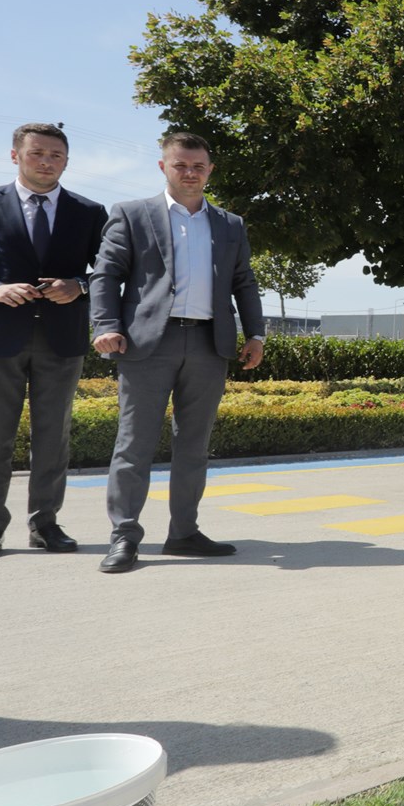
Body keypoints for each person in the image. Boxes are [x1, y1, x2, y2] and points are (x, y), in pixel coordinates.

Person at [90, 131, 265, 573]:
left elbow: (243, 281)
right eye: (180, 165)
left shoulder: (230, 224)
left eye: (198, 166)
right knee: (134, 444)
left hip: (209, 344)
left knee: (194, 446)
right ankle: (124, 536)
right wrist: (106, 326)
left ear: (210, 170)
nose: (190, 173)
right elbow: (106, 275)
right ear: (163, 166)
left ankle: (184, 532)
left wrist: (256, 335)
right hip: (148, 343)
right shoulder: (132, 214)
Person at [0, 123, 109, 560]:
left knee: (53, 437)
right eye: (37, 153)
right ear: (15, 156)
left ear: (67, 161)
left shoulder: (89, 212)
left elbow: (111, 270)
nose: (47, 162)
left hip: (62, 339)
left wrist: (79, 286)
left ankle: (45, 523)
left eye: (56, 155)